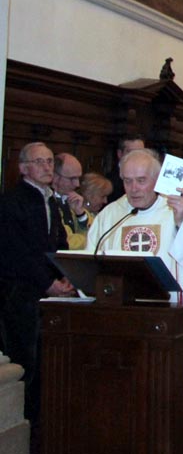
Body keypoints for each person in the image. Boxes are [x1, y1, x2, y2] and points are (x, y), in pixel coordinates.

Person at [88, 148, 183, 421]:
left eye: (141, 180)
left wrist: (182, 223)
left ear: (157, 179)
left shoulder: (178, 210)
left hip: (164, 325)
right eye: (127, 181)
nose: (133, 189)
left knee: (163, 402)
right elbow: (91, 263)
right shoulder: (111, 215)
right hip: (120, 324)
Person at [0, 142, 73, 451]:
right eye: (39, 162)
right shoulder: (12, 202)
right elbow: (17, 251)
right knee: (26, 363)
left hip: (46, 294)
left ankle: (43, 430)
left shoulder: (51, 200)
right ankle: (25, 433)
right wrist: (48, 283)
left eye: (49, 161)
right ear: (23, 168)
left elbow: (57, 244)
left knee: (47, 365)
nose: (46, 167)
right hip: (20, 295)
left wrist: (67, 273)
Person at [52, 153, 91, 249]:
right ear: (55, 176)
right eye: (72, 178)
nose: (77, 184)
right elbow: (66, 241)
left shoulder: (73, 199)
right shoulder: (48, 202)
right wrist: (92, 241)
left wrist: (81, 215)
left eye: (78, 178)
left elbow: (97, 231)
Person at [108, 134, 145, 201]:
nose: (137, 156)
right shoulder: (109, 181)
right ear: (120, 154)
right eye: (132, 152)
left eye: (140, 152)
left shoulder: (151, 177)